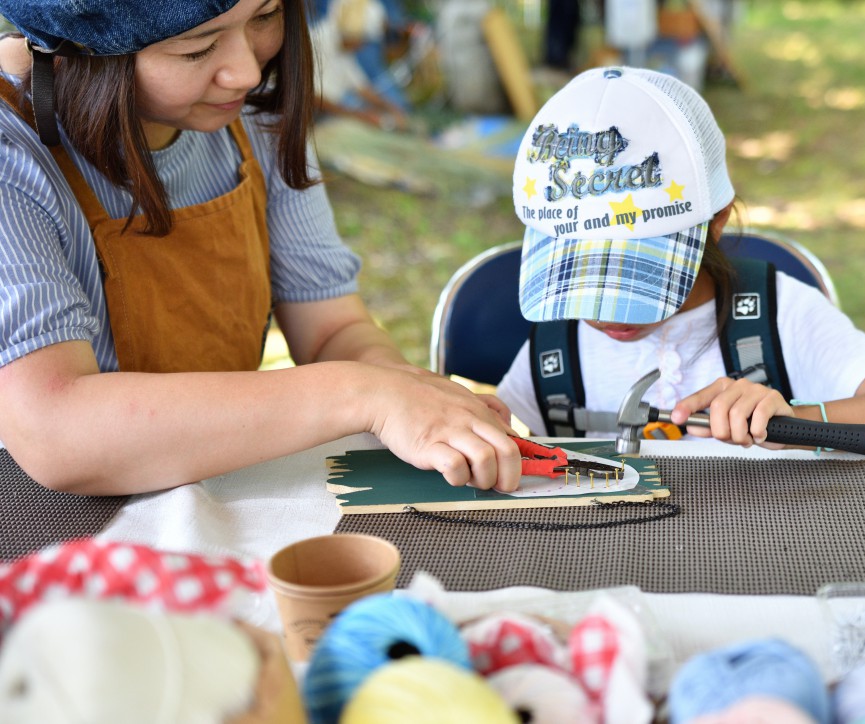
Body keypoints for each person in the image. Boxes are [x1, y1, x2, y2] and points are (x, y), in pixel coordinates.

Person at [0, 0, 521, 495]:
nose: (246, 73)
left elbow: (333, 330)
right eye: (197, 48)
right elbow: (55, 430)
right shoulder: (12, 153)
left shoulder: (250, 120)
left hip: (220, 487)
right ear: (80, 49)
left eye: (267, 15)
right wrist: (365, 394)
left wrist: (411, 400)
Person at [497, 66, 865, 456]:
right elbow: (500, 432)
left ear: (715, 220)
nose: (602, 312)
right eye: (577, 277)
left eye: (630, 274)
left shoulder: (778, 316)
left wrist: (797, 419)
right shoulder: (556, 346)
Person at [309, 0, 409, 130]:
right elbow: (311, 97)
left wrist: (391, 107)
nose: (362, 46)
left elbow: (361, 87)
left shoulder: (345, 50)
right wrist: (358, 116)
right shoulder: (316, 40)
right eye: (362, 40)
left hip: (326, 116)